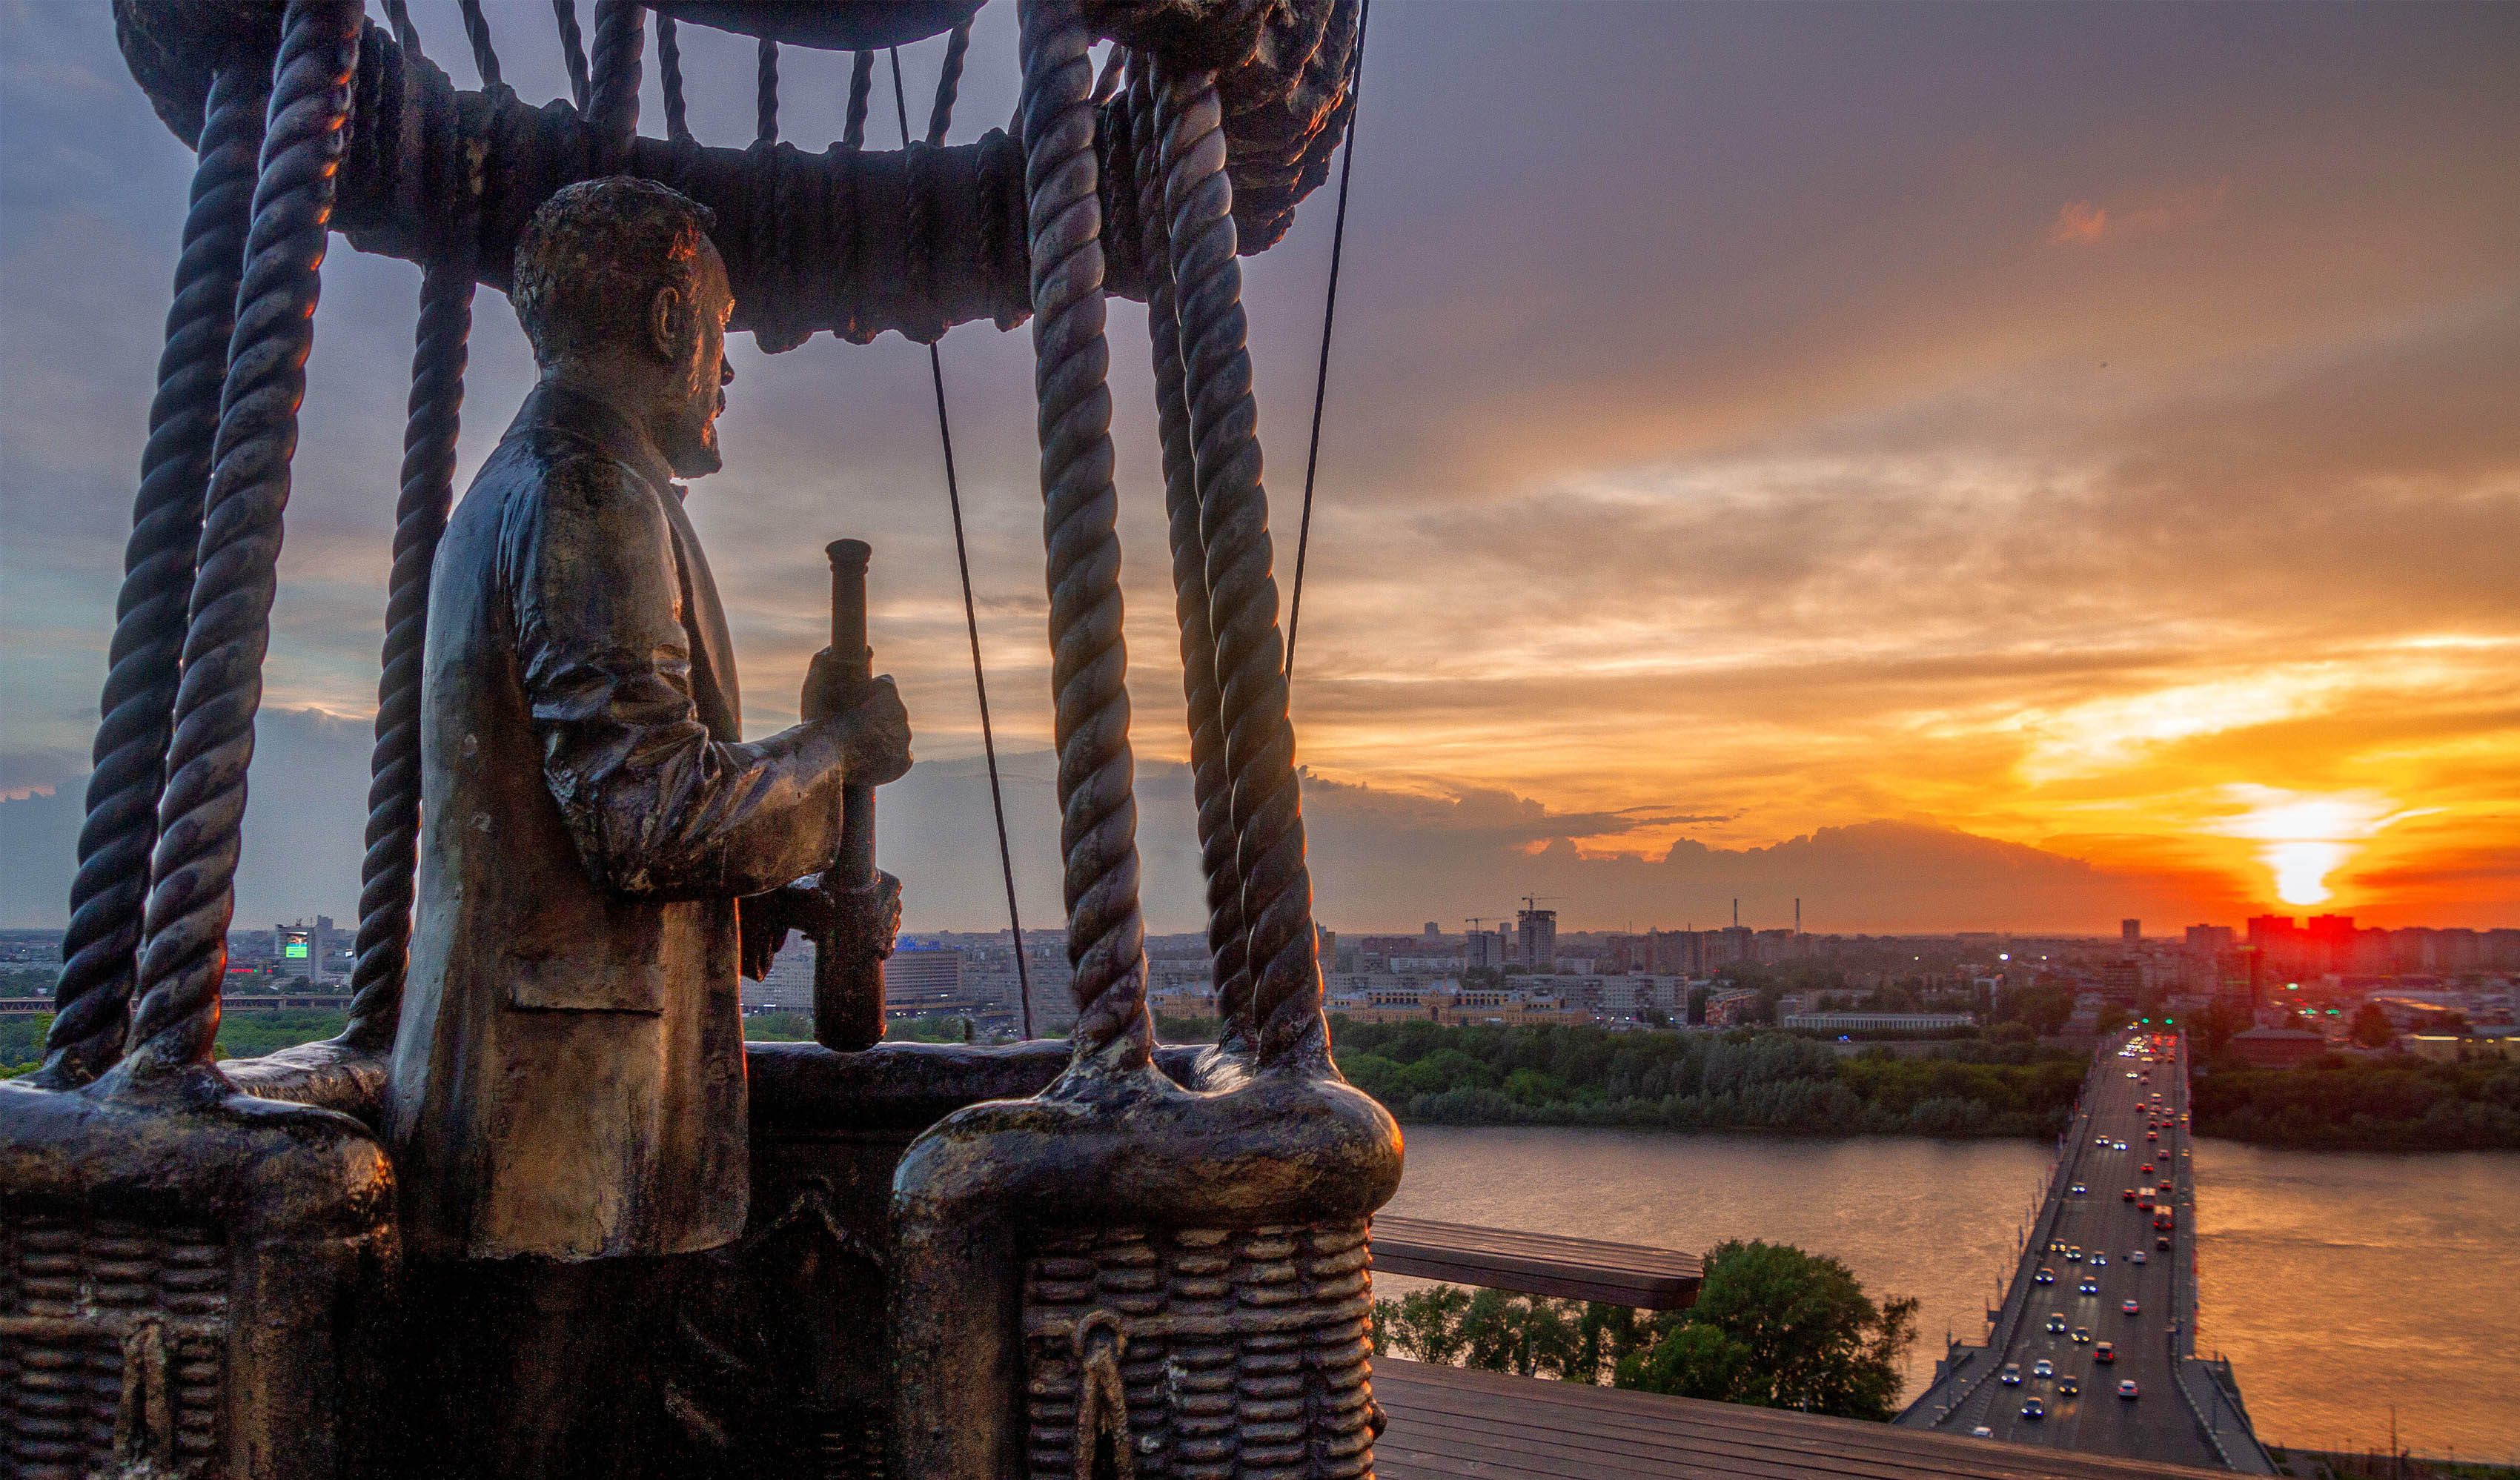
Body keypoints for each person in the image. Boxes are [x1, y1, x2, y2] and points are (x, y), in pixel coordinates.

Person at [384, 176, 909, 1476]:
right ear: (671, 318)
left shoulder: (526, 484)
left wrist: (779, 882)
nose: (727, 369)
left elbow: (590, 830)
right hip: (566, 1158)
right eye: (720, 329)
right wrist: (833, 757)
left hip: (540, 1140)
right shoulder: (591, 494)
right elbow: (641, 819)